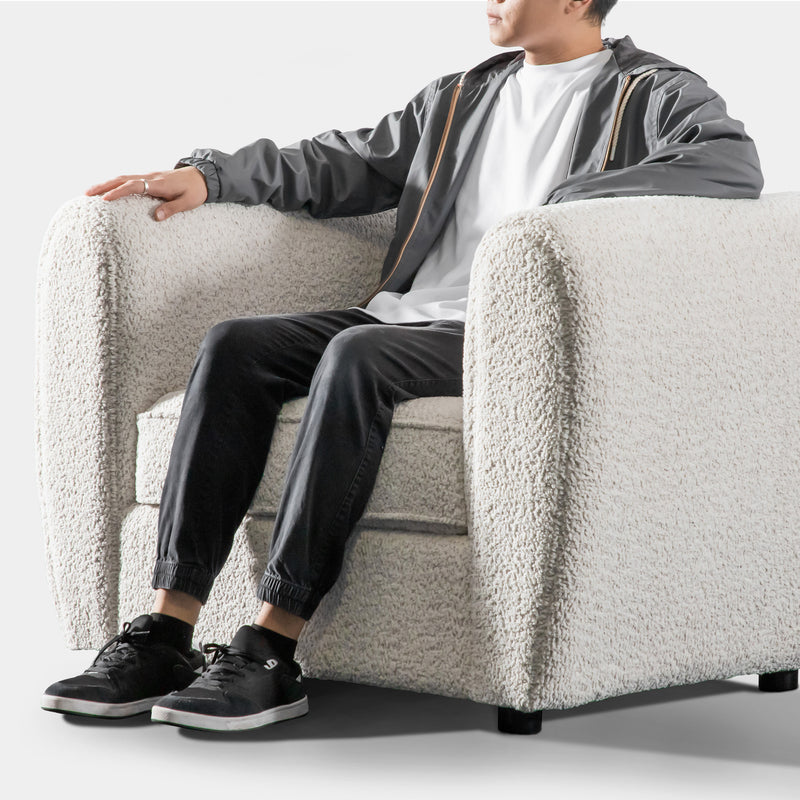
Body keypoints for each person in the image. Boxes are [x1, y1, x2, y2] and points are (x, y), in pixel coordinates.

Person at [41, 0, 763, 733]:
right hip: (403, 317)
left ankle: (271, 647)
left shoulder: (654, 93)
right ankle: (167, 631)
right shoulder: (461, 98)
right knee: (236, 345)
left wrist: (558, 212)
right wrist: (212, 177)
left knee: (359, 355)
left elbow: (728, 161)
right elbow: (344, 161)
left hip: (496, 332)